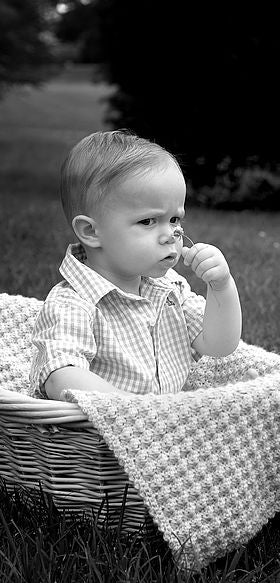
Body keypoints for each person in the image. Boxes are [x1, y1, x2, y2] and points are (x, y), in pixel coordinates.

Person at [29, 130, 242, 400]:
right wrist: (136, 410)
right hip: (97, 433)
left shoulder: (169, 290)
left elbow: (219, 344)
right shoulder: (73, 304)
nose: (170, 235)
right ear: (91, 232)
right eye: (148, 222)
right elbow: (62, 377)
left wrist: (221, 287)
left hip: (161, 425)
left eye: (175, 219)